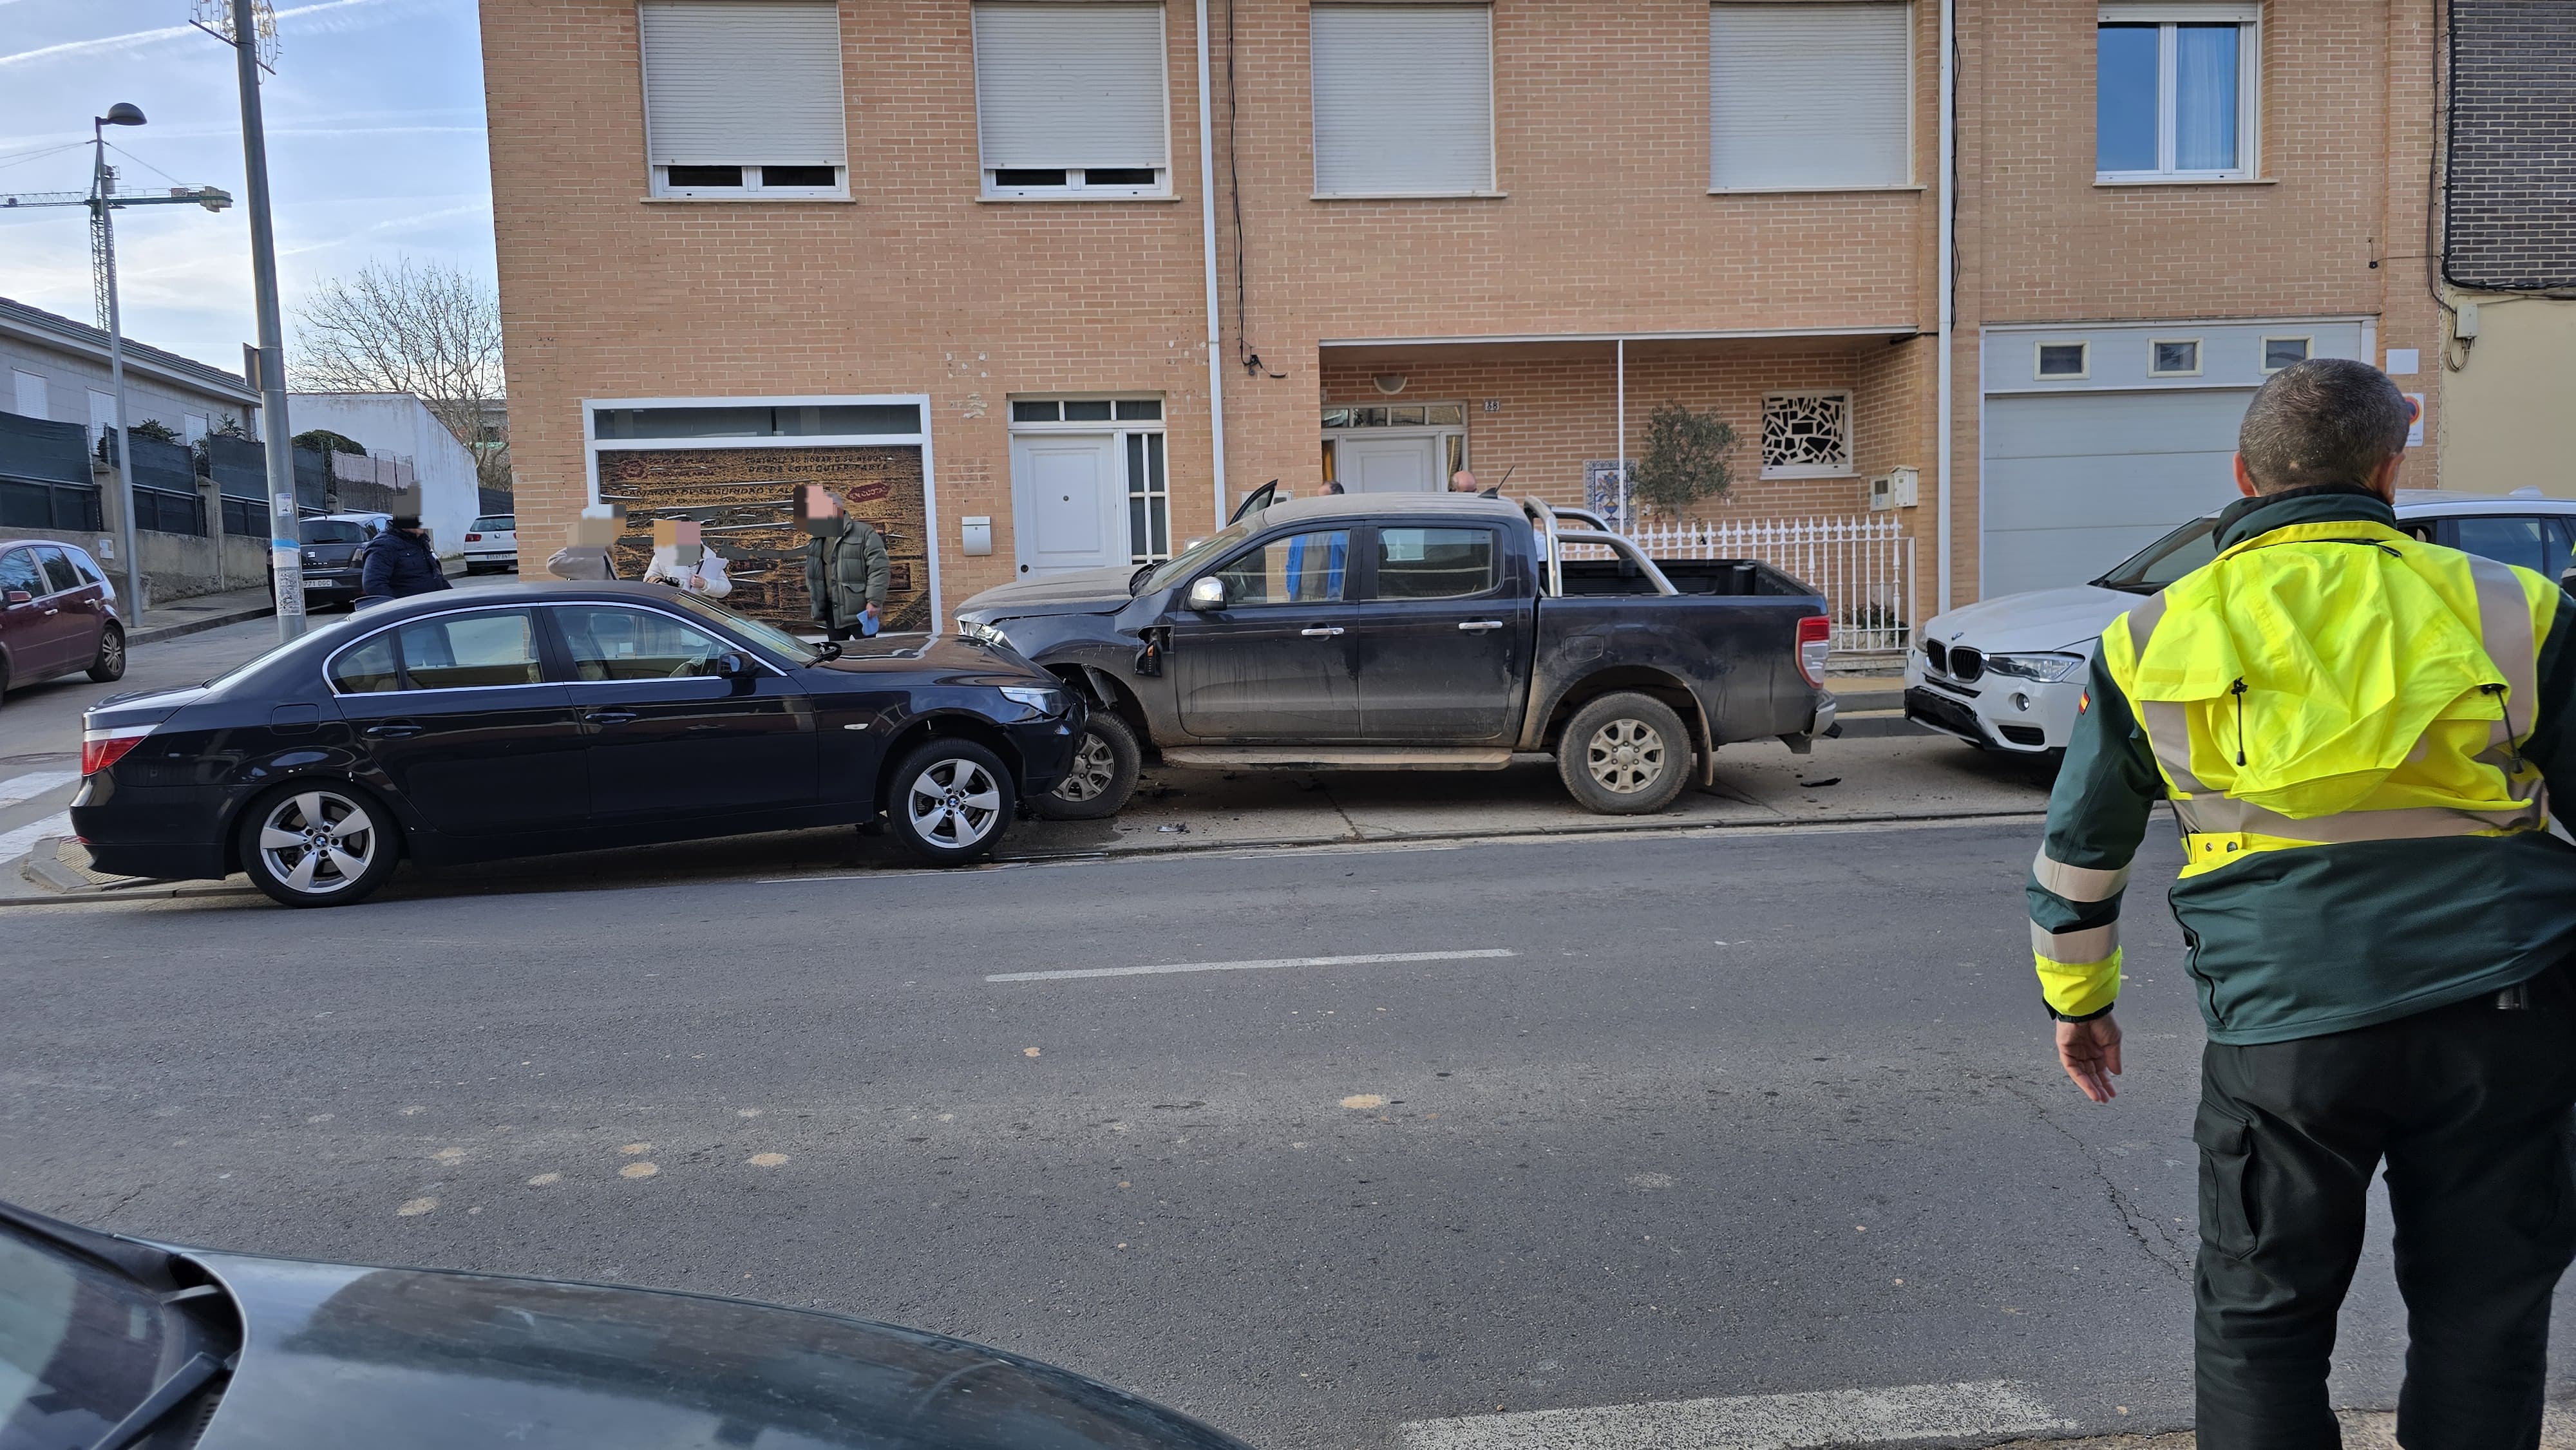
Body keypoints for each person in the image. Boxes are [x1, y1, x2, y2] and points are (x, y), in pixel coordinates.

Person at [2029, 358, 2576, 1447]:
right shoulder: (2521, 608)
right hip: (2503, 1012)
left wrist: (2079, 1003)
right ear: (2389, 468)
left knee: (2259, 1321)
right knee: (2485, 1315)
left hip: (2282, 1032)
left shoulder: (2150, 637)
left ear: (2243, 474)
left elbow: (2084, 850)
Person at [804, 493, 891, 639]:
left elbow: (879, 569)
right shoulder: (818, 538)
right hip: (832, 612)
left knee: (867, 656)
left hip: (861, 611)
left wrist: (874, 601)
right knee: (838, 656)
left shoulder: (864, 533)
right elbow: (814, 574)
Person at [355, 515, 451, 607]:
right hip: (410, 617)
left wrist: (454, 597)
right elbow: (373, 585)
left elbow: (436, 576)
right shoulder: (384, 546)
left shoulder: (420, 542)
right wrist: (399, 608)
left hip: (429, 611)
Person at [643, 540, 732, 598]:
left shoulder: (709, 557)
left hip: (702, 613)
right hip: (674, 612)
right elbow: (648, 582)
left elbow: (725, 588)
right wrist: (663, 585)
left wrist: (705, 584)